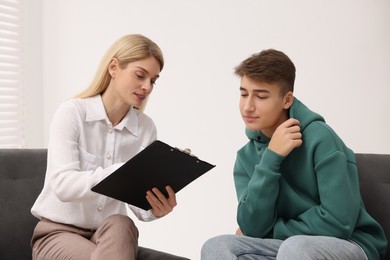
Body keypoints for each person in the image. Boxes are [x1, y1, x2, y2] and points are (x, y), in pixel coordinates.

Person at [201, 49, 387, 260]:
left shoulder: (321, 139)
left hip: (349, 244)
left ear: (287, 100)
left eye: (261, 96)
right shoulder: (246, 157)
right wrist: (271, 158)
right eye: (244, 94)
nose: (247, 106)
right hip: (286, 247)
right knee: (216, 247)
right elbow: (252, 226)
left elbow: (339, 222)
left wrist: (271, 232)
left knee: (295, 249)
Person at [31, 34, 183, 260]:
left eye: (153, 80)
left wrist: (156, 207)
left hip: (110, 234)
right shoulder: (73, 113)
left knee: (122, 222)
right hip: (58, 233)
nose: (147, 87)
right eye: (140, 75)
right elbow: (62, 186)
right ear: (114, 67)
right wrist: (120, 173)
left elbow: (139, 207)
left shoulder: (145, 128)